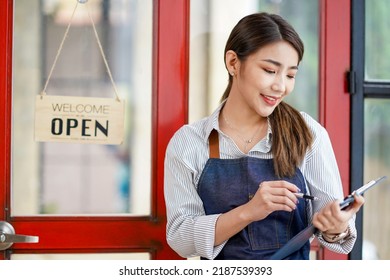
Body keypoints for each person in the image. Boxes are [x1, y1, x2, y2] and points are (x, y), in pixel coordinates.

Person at [164, 12, 364, 260]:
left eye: (290, 75)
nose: (281, 86)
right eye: (270, 70)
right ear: (233, 63)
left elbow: (335, 230)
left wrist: (336, 226)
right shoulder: (189, 143)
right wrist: (248, 212)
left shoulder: (308, 134)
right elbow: (180, 238)